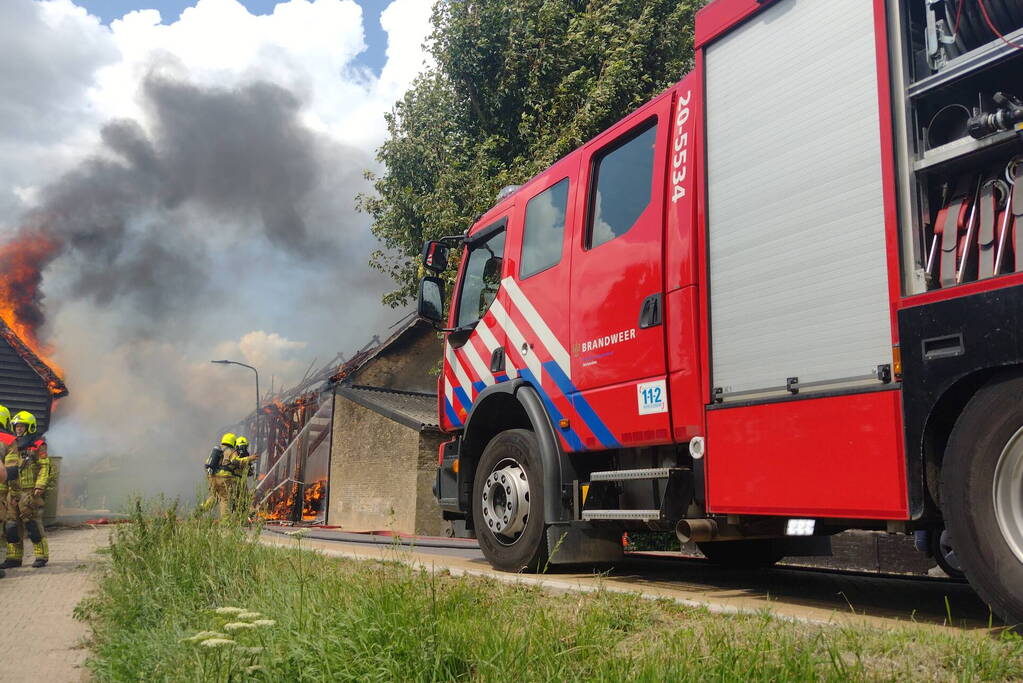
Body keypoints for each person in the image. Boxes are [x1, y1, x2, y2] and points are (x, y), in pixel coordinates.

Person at [4, 411, 50, 568]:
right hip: (12, 492)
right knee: (11, 526)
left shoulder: (39, 445)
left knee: (32, 525)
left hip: (29, 492)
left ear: (30, 427)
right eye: (16, 426)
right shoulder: (11, 445)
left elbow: (45, 466)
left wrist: (40, 485)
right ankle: (13, 558)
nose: (18, 429)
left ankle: (41, 556)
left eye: (22, 426)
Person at [204, 433, 240, 518]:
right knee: (224, 498)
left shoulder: (217, 449)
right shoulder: (231, 451)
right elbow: (235, 461)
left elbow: (207, 463)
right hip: (224, 478)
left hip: (212, 477)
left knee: (215, 497)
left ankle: (201, 509)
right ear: (233, 441)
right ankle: (225, 521)